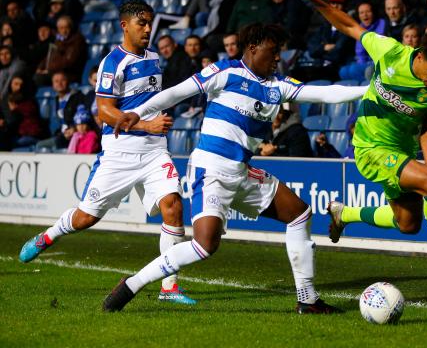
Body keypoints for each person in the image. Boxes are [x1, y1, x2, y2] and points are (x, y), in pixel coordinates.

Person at [102, 22, 367, 313]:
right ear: (253, 48)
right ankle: (132, 284)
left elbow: (327, 95)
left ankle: (307, 299)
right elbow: (176, 93)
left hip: (241, 172)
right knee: (204, 246)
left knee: (299, 214)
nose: (278, 57)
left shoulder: (277, 87)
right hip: (211, 170)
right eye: (273, 51)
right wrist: (137, 112)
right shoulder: (225, 72)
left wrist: (369, 91)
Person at [19, 0, 195, 305]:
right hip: (121, 153)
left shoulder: (153, 56)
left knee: (173, 206)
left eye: (150, 23)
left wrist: (154, 126)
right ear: (125, 25)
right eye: (142, 23)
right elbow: (105, 113)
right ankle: (48, 236)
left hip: (154, 151)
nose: (148, 29)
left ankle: (169, 286)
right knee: (87, 217)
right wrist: (146, 125)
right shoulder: (113, 63)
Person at [296, 0, 427, 279]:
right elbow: (350, 26)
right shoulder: (390, 52)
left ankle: (345, 213)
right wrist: (315, 0)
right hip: (369, 147)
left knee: (408, 224)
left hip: (402, 151)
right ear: (420, 55)